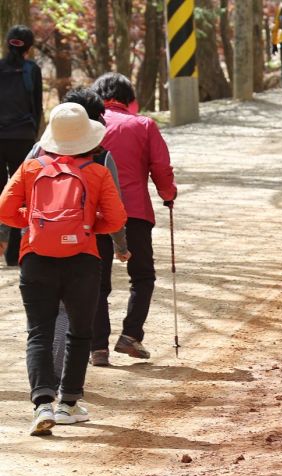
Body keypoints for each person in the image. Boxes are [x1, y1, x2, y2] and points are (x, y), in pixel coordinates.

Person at [0, 102, 127, 435]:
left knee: (39, 332)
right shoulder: (97, 171)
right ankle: (68, 403)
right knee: (79, 332)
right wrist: (85, 228)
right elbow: (116, 220)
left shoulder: (30, 169)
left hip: (36, 258)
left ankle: (42, 403)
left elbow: (4, 210)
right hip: (82, 260)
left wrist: (31, 224)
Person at [27, 88, 131, 373]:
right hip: (87, 245)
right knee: (85, 304)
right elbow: (115, 212)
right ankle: (84, 365)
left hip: (39, 243)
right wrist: (120, 245)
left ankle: (47, 385)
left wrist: (22, 230)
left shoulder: (37, 153)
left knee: (48, 315)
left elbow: (13, 200)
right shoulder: (101, 160)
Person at [91, 73, 177, 360]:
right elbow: (161, 166)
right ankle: (130, 336)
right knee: (142, 276)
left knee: (97, 281)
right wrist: (168, 194)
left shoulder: (89, 126)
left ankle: (97, 346)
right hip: (134, 211)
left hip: (94, 211)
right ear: (129, 98)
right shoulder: (143, 124)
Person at [0, 25, 42, 267]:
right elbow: (37, 106)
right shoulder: (31, 69)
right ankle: (15, 253)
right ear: (29, 47)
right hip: (23, 137)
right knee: (21, 195)